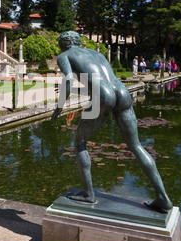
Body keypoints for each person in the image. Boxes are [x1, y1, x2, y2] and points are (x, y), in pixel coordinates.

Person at [51, 31, 173, 213]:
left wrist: (58, 108)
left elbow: (69, 80)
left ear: (64, 43)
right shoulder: (96, 53)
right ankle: (163, 197)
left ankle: (88, 194)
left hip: (103, 95)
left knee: (79, 141)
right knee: (136, 145)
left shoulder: (64, 56)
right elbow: (103, 81)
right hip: (122, 92)